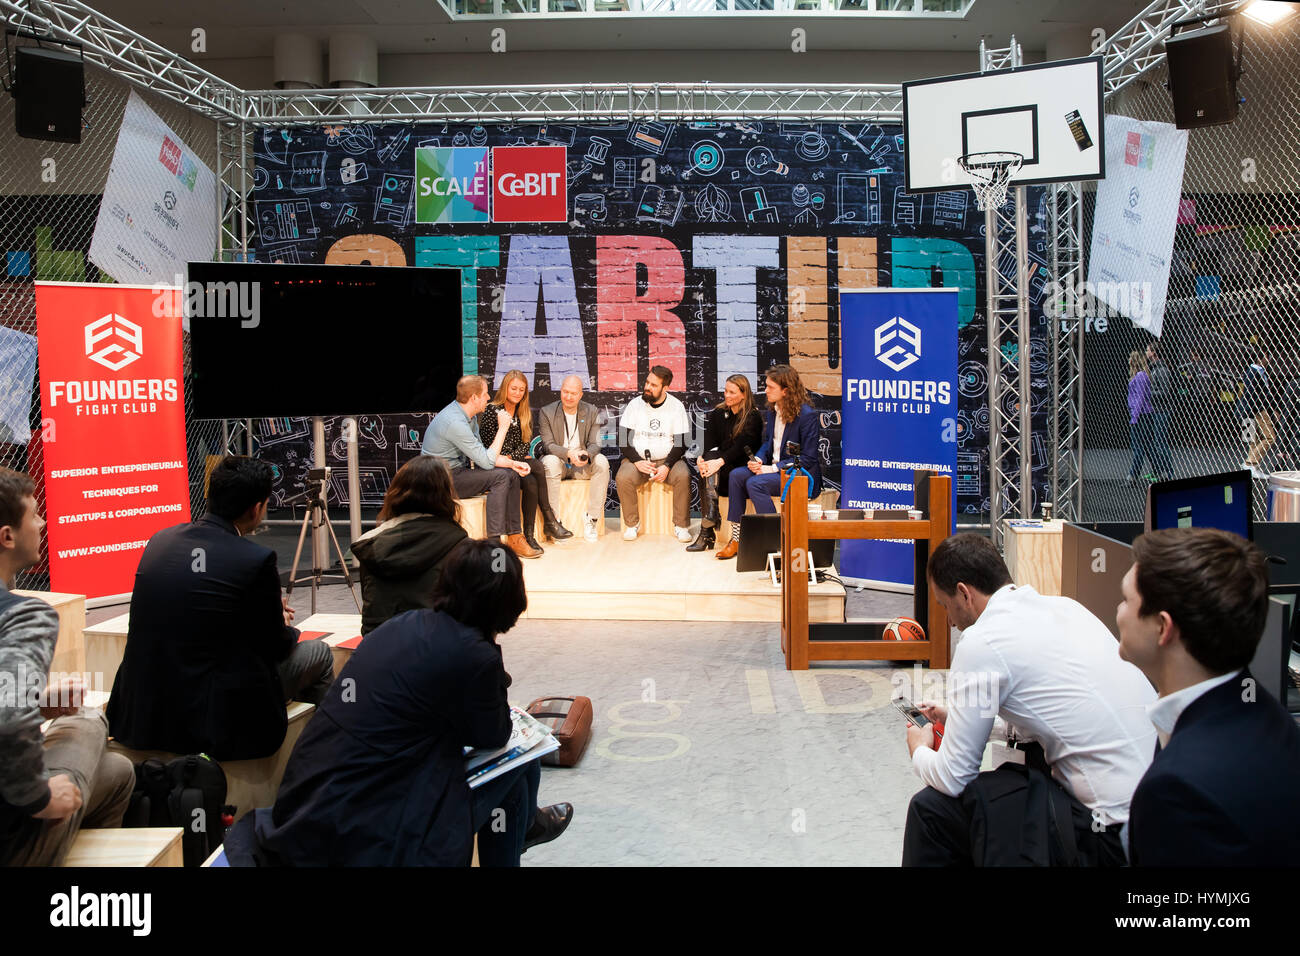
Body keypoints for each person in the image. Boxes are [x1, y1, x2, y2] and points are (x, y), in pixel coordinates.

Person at [252, 539, 573, 866]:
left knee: (518, 774)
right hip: (371, 827)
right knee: (521, 764)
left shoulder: (402, 625)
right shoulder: (475, 655)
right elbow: (494, 735)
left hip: (308, 805)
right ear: (509, 599)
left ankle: (526, 827)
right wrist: (490, 652)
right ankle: (525, 828)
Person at [901, 533, 1157, 867]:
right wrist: (959, 716)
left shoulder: (980, 641)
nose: (949, 620)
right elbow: (1052, 709)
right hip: (1154, 813)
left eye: (945, 606)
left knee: (931, 811)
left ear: (964, 594)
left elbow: (953, 778)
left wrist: (918, 750)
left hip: (1108, 835)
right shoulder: (1066, 607)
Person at [107, 456, 335, 761]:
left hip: (140, 709)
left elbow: (196, 606)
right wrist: (274, 617)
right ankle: (323, 760)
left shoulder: (160, 540)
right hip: (210, 716)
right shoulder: (255, 559)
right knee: (318, 653)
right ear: (257, 508)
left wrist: (258, 606)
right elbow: (275, 647)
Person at [1117, 527, 1300, 866]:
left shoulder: (1176, 791)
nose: (1119, 611)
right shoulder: (1262, 710)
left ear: (1163, 627)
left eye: (1126, 600)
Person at [0, 468, 135, 866]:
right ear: (7, 536)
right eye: (34, 514)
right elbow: (8, 721)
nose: (42, 523)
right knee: (86, 721)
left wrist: (35, 700)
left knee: (118, 771)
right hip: (10, 833)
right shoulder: (26, 616)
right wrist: (39, 798)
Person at [421, 374, 540, 560]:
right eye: (485, 394)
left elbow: (483, 456)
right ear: (474, 398)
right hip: (441, 480)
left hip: (457, 472)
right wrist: (503, 428)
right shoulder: (455, 422)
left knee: (511, 474)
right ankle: (494, 546)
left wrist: (513, 463)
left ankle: (514, 536)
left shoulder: (469, 417)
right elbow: (485, 462)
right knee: (501, 477)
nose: (488, 397)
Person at [351, 456, 468, 635]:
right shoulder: (460, 545)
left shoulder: (370, 545)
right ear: (446, 495)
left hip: (381, 650)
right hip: (438, 649)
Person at [717, 364, 822, 561]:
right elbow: (768, 443)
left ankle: (774, 542)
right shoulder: (773, 410)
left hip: (797, 475)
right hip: (772, 469)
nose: (765, 390)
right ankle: (737, 539)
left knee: (755, 483)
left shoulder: (807, 416)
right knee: (737, 476)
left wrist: (771, 468)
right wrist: (758, 459)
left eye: (770, 387)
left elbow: (808, 459)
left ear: (786, 390)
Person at [478, 369, 572, 555]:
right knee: (533, 473)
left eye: (521, 390)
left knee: (534, 472)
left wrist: (515, 458)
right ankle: (548, 521)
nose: (517, 393)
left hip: (515, 462)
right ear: (505, 388)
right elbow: (487, 446)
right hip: (497, 464)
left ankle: (530, 535)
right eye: (514, 388)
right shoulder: (492, 410)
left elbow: (526, 443)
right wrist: (511, 459)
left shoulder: (523, 412)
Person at [614, 365, 693, 542]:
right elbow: (623, 440)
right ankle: (632, 524)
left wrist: (667, 466)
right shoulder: (635, 405)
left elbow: (681, 443)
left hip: (668, 460)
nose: (648, 387)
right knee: (623, 477)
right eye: (647, 382)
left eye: (654, 385)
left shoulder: (676, 406)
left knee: (683, 475)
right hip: (639, 460)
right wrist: (636, 461)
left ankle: (680, 526)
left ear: (665, 388)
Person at [687, 374, 762, 553]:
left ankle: (707, 530)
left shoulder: (753, 417)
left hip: (742, 464)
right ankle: (710, 518)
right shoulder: (719, 412)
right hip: (720, 463)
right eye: (726, 391)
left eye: (732, 392)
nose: (727, 396)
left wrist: (718, 462)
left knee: (713, 468)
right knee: (705, 469)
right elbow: (709, 441)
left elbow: (741, 448)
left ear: (744, 394)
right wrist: (702, 458)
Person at [538, 375, 610, 544]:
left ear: (580, 395)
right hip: (560, 462)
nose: (568, 396)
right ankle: (555, 522)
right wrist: (569, 454)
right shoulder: (546, 412)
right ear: (561, 390)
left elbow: (595, 443)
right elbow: (548, 445)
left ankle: (592, 520)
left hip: (582, 465)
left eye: (573, 393)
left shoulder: (591, 411)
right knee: (549, 461)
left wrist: (585, 456)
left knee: (602, 462)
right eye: (565, 392)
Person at [1240, 349, 1274, 479]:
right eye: (1267, 356)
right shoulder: (1253, 372)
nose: (1269, 359)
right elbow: (1251, 394)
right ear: (1261, 357)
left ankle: (1253, 466)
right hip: (1258, 409)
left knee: (1256, 439)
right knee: (1270, 437)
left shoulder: (1257, 372)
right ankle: (1250, 463)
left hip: (1255, 409)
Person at [1144, 341, 1173, 480]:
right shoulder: (1153, 368)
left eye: (1148, 350)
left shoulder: (1161, 370)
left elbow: (1164, 391)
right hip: (1154, 410)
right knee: (1155, 443)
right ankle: (1158, 472)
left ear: (1154, 353)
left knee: (1160, 443)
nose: (1146, 352)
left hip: (1162, 411)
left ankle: (1168, 473)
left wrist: (1148, 393)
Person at [1126, 350, 1155, 487]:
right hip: (1141, 414)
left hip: (1142, 415)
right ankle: (1159, 471)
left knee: (1139, 448)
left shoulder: (1141, 376)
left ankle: (1132, 476)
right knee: (1146, 447)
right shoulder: (1139, 376)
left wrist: (1135, 417)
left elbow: (1140, 398)